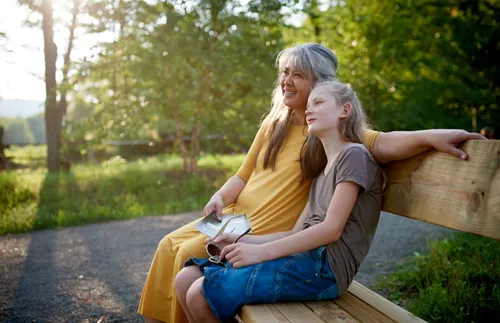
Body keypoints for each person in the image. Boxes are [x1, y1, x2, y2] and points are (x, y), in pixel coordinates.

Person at [138, 43, 485, 323]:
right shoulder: (274, 124)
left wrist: (432, 136)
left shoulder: (327, 130)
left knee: (187, 255)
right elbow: (242, 175)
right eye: (284, 72)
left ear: (320, 84)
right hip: (233, 213)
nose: (286, 80)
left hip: (261, 225)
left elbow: (381, 143)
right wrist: (219, 196)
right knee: (169, 243)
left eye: (297, 74)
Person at [174, 80, 384, 322]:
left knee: (199, 293)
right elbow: (295, 232)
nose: (308, 109)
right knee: (186, 279)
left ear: (344, 111)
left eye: (318, 102)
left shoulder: (354, 155)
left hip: (325, 269)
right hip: (305, 257)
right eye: (309, 104)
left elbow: (330, 230)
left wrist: (260, 252)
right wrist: (243, 240)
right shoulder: (322, 169)